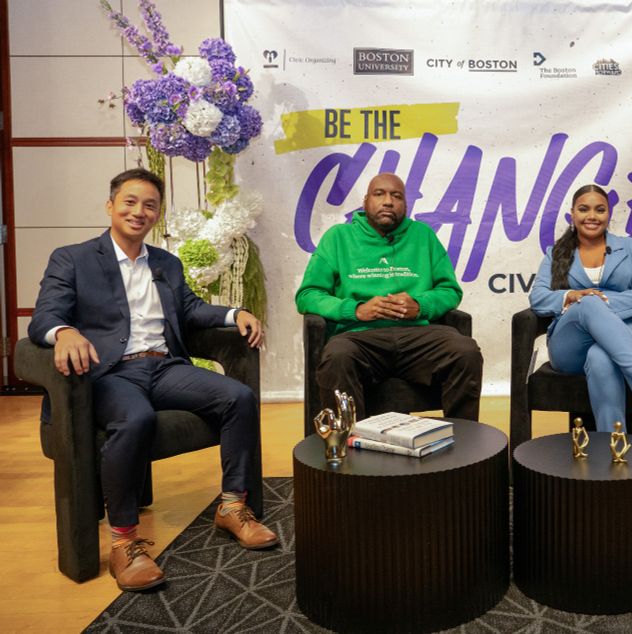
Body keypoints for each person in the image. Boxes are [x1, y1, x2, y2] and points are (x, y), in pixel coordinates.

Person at [27, 168, 278, 592]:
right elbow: (44, 318)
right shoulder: (72, 258)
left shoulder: (166, 263)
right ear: (110, 206)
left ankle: (233, 505)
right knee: (136, 419)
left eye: (149, 206)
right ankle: (125, 542)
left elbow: (191, 309)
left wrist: (236, 313)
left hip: (163, 367)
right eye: (129, 202)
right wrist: (65, 332)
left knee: (238, 397)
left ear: (157, 215)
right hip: (109, 372)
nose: (138, 212)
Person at [296, 172, 483, 421]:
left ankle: (463, 444)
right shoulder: (338, 237)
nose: (388, 201)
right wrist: (355, 310)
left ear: (405, 205)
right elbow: (308, 295)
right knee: (337, 357)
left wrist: (420, 305)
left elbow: (450, 291)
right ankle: (349, 446)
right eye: (379, 194)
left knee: (465, 351)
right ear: (365, 202)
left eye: (396, 196)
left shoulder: (422, 235)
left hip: (417, 337)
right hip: (359, 338)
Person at [528, 184, 632, 433]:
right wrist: (573, 297)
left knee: (601, 357)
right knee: (588, 303)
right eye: (584, 209)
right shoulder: (555, 253)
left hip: (626, 337)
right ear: (572, 213)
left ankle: (614, 447)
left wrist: (600, 304)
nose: (592, 216)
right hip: (570, 347)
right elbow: (538, 299)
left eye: (600, 210)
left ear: (609, 214)